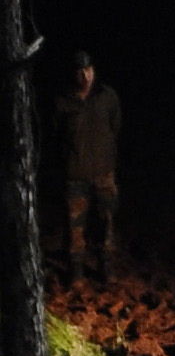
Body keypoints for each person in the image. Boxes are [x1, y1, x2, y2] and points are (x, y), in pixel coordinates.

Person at [56, 52, 118, 283]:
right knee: (74, 227)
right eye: (80, 72)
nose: (85, 76)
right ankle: (76, 270)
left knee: (106, 222)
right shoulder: (63, 101)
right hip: (75, 175)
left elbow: (116, 127)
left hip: (104, 173)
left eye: (89, 70)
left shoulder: (107, 97)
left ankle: (106, 265)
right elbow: (56, 135)